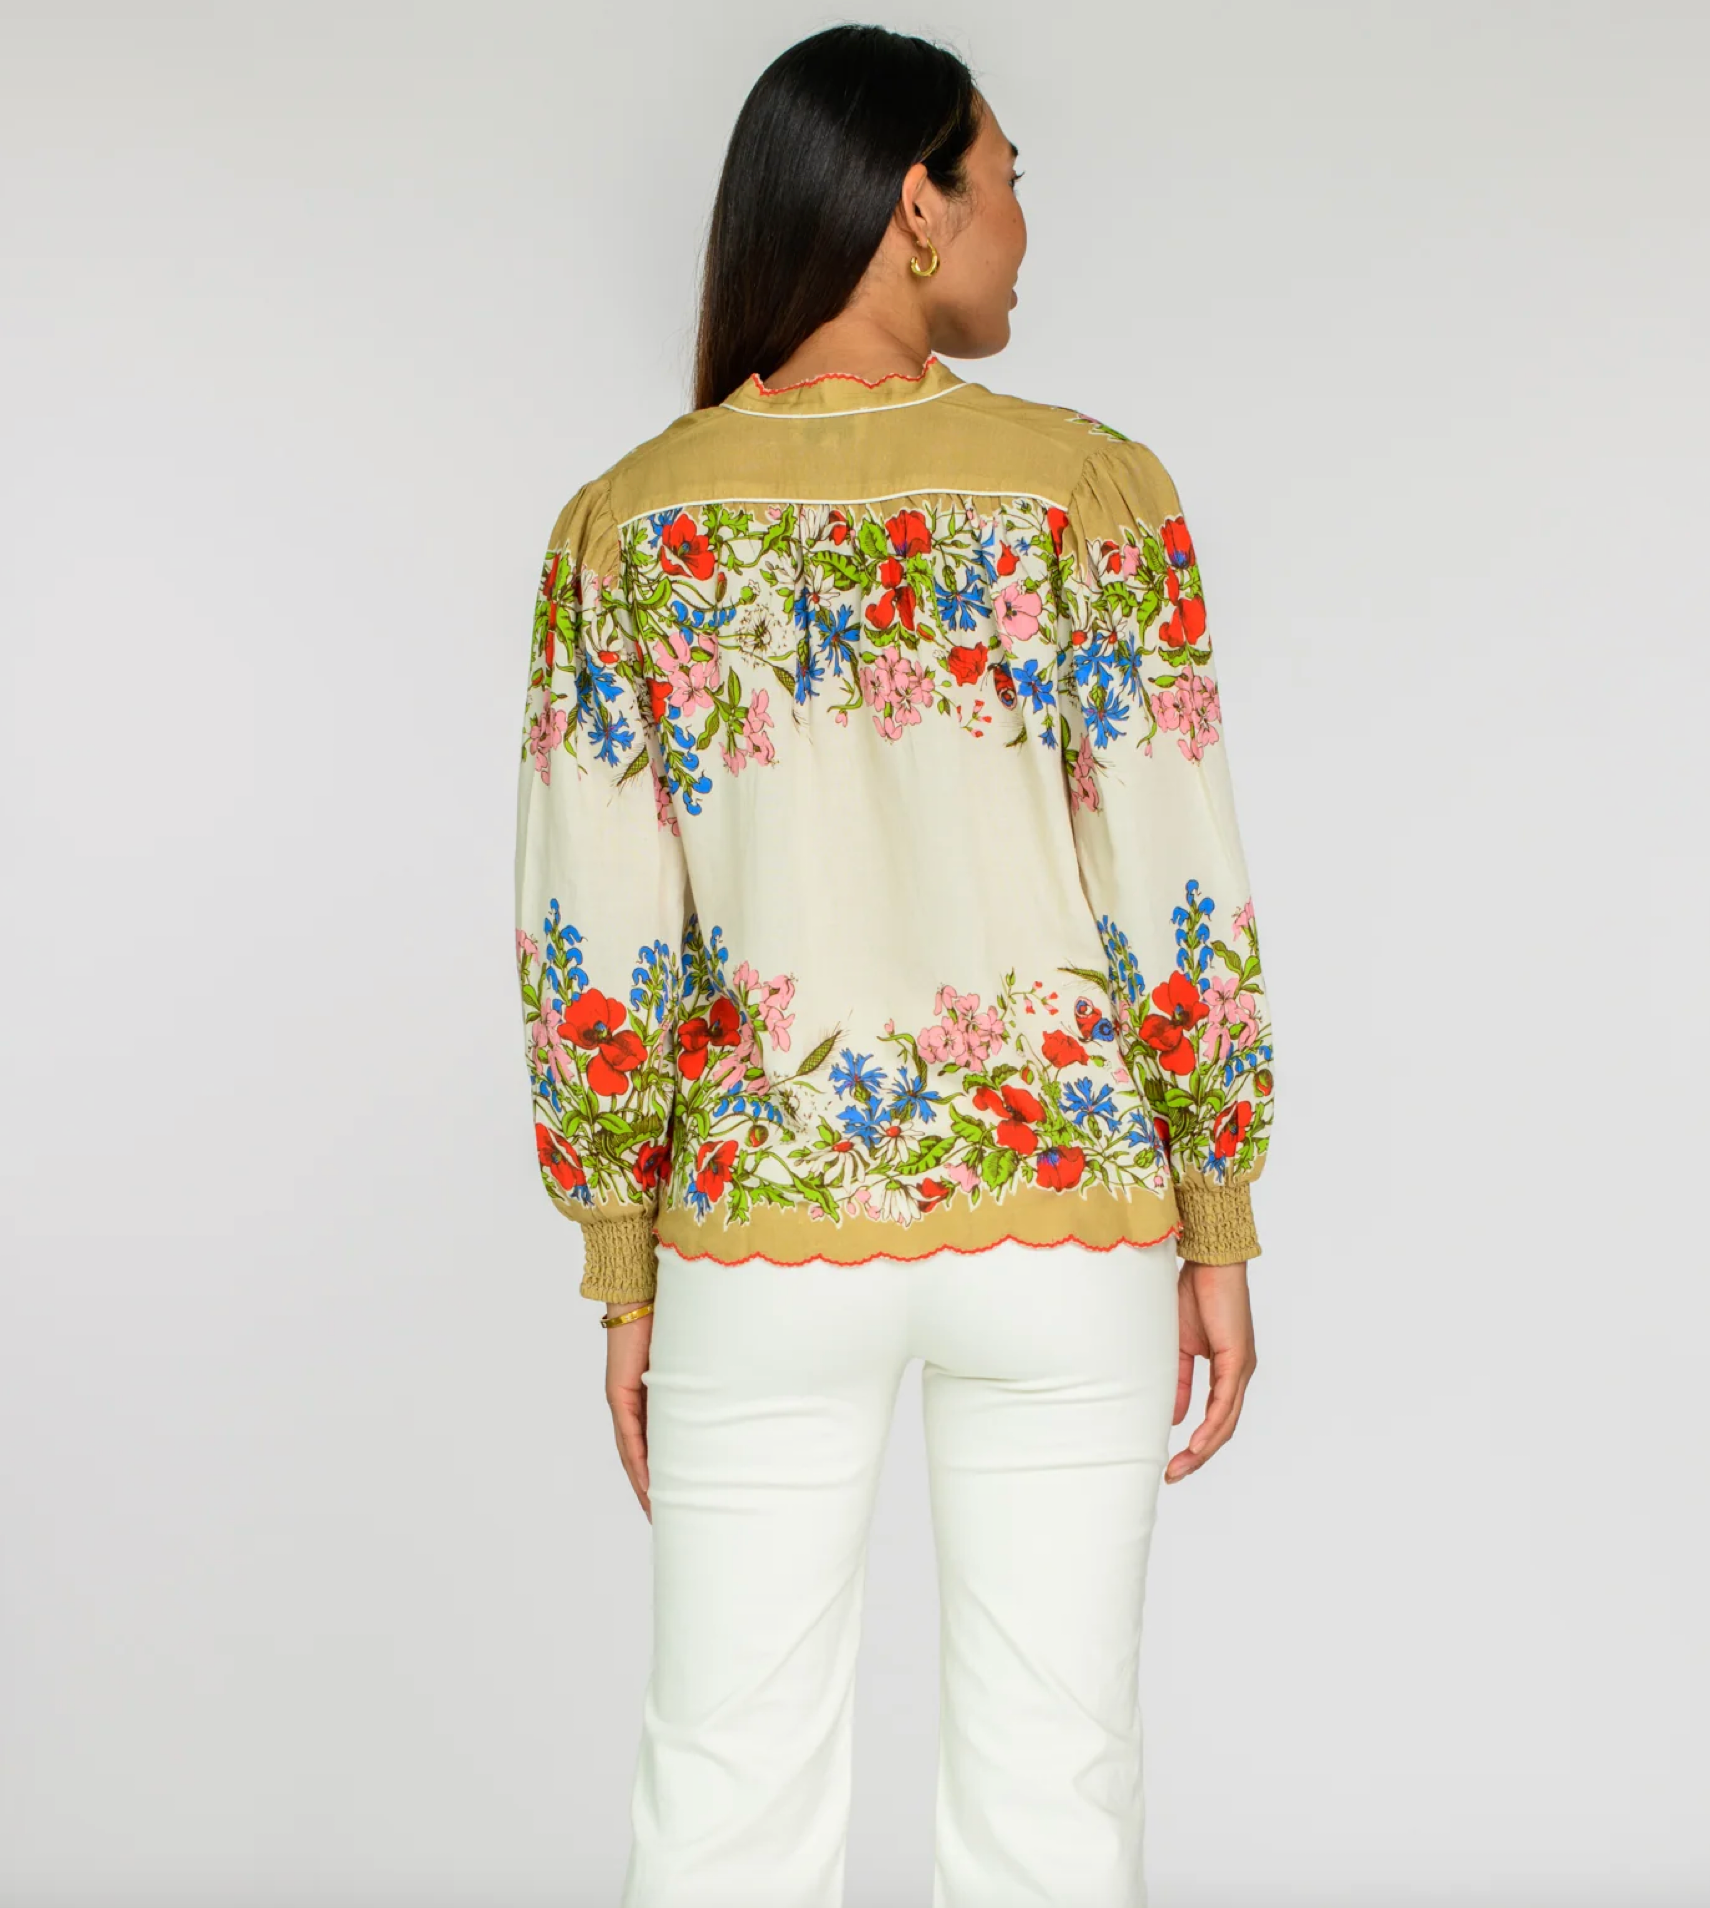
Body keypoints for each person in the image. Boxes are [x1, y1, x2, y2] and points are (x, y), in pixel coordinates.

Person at [512, 24, 1275, 1906]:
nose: (1023, 221)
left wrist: (619, 1257)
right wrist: (1216, 1210)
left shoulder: (630, 523)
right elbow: (1173, 871)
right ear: (914, 202)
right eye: (1006, 177)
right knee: (1055, 1784)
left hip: (754, 1224)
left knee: (724, 1781)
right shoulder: (1086, 490)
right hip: (1065, 1210)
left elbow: (592, 934)